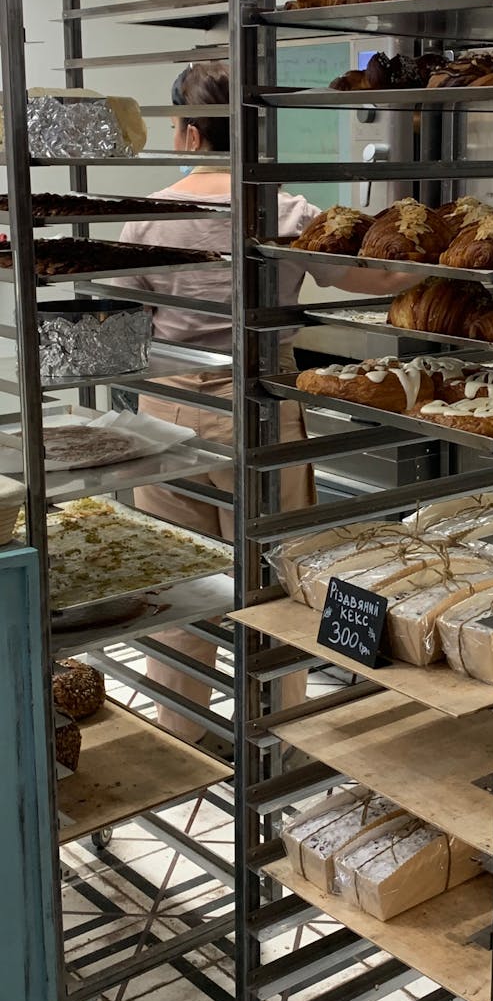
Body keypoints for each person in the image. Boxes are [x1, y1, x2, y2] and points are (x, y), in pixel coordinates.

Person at [118, 60, 405, 752]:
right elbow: (372, 274)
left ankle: (183, 738)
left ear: (185, 134)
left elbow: (119, 323)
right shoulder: (284, 210)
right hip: (264, 407)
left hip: (165, 410)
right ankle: (274, 732)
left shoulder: (146, 216)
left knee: (180, 581)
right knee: (276, 581)